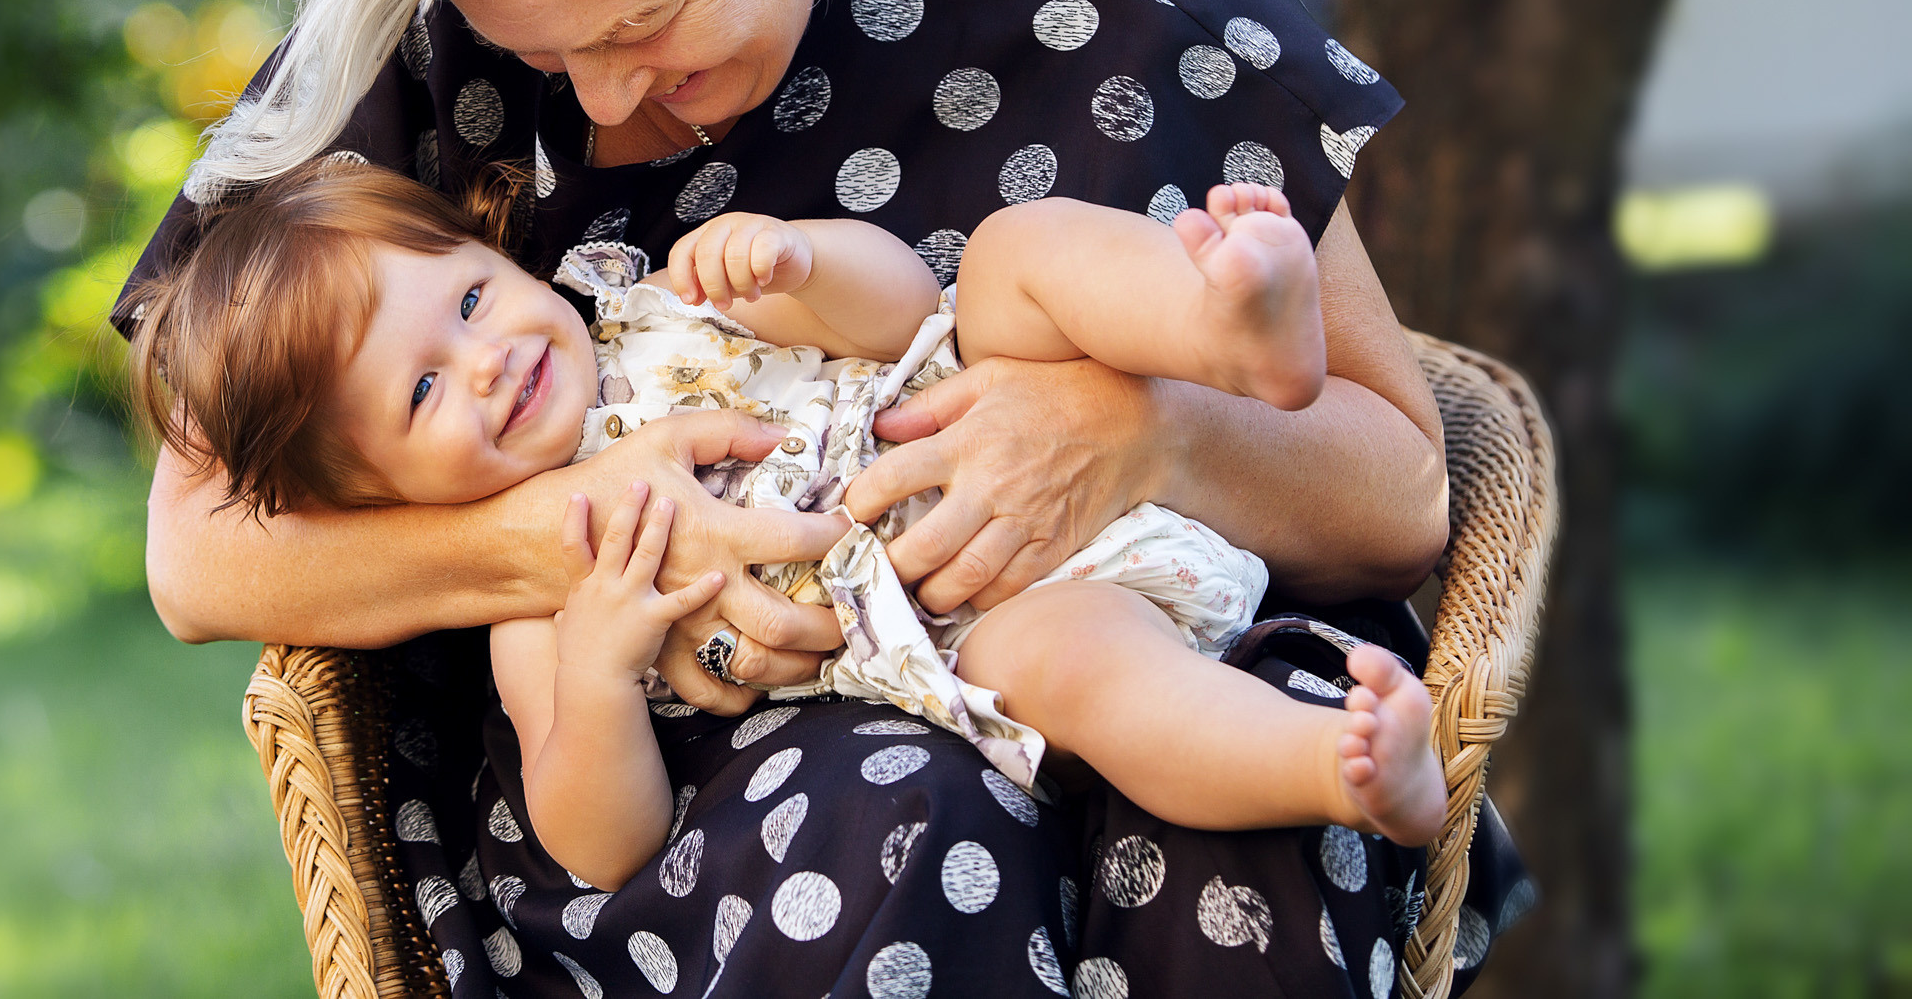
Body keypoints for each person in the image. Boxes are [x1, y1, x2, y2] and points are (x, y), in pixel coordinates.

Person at [118, 0, 1528, 995]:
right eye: (546, 60)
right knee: (898, 826)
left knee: (1247, 844)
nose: (598, 106)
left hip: (1118, 619)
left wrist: (1148, 433)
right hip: (723, 791)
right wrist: (576, 547)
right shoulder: (433, 9)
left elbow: (1403, 494)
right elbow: (199, 552)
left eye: (644, 22)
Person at [127, 159, 1451, 899]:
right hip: (975, 617)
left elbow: (895, 315)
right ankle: (1336, 766)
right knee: (1089, 679)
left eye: (470, 304)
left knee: (1002, 261)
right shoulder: (543, 598)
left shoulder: (654, 310)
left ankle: (1224, 326)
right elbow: (598, 839)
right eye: (421, 393)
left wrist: (802, 266)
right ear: (385, 499)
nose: (482, 364)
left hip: (1002, 419)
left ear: (501, 258)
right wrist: (594, 675)